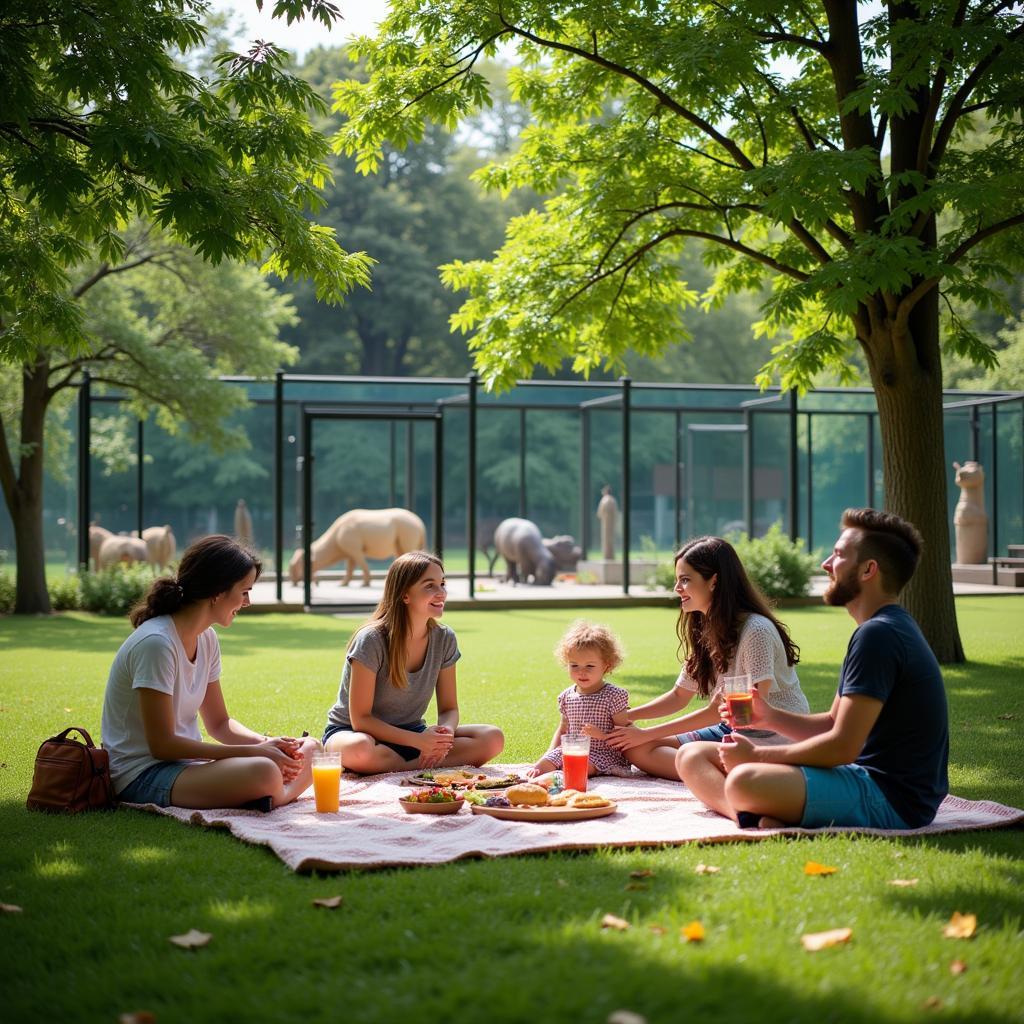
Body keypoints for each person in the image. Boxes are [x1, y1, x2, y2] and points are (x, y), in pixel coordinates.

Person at [677, 508, 949, 830]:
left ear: (868, 570)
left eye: (837, 555)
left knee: (744, 779)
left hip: (891, 796)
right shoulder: (878, 629)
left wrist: (757, 757)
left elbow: (843, 747)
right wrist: (769, 716)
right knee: (690, 756)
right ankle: (750, 816)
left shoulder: (879, 635)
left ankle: (751, 810)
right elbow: (833, 723)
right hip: (868, 779)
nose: (826, 564)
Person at [102, 535, 318, 810]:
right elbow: (162, 746)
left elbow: (219, 723)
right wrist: (255, 752)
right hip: (142, 774)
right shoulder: (156, 644)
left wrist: (271, 744)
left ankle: (270, 794)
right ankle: (277, 795)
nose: (247, 602)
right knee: (264, 771)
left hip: (187, 767)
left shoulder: (206, 639)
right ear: (217, 592)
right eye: (244, 592)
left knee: (311, 748)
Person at [604, 536, 809, 779]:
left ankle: (732, 771)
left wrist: (648, 733)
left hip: (770, 737)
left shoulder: (756, 631)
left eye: (685, 580)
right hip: (730, 728)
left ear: (714, 581)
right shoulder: (706, 627)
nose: (677, 588)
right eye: (677, 580)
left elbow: (743, 712)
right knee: (635, 748)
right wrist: (626, 717)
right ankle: (715, 771)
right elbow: (679, 696)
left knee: (662, 746)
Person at [323, 551, 504, 773]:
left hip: (415, 734)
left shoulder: (444, 638)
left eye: (442, 584)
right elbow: (361, 720)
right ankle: (411, 765)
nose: (441, 593)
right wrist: (419, 743)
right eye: (430, 586)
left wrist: (443, 736)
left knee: (493, 738)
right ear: (404, 595)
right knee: (360, 749)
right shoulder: (371, 640)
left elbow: (449, 708)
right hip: (354, 734)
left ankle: (397, 765)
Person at [526, 621, 631, 778]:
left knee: (579, 768)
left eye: (589, 666)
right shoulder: (567, 696)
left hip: (603, 753)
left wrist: (601, 735)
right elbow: (562, 730)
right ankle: (534, 786)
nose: (581, 672)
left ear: (606, 666)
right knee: (539, 769)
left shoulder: (613, 696)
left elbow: (624, 733)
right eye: (574, 665)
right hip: (572, 749)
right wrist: (549, 754)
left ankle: (564, 778)